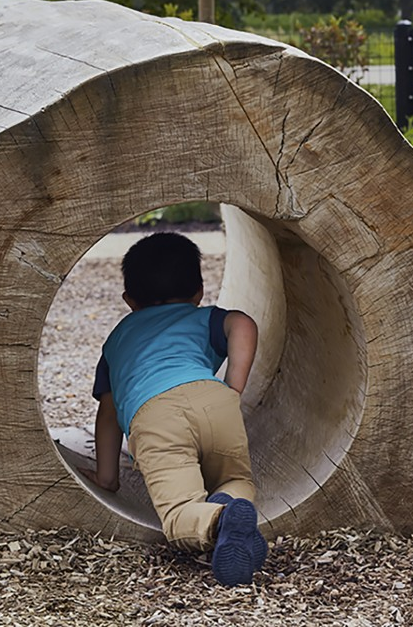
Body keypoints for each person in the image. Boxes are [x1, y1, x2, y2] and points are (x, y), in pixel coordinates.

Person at [81, 231, 267, 587]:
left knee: (178, 513)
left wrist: (108, 477)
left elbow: (108, 414)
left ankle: (217, 522)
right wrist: (234, 389)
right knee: (236, 477)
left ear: (129, 300)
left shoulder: (117, 340)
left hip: (155, 417)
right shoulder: (204, 318)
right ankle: (230, 504)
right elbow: (242, 323)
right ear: (198, 291)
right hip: (215, 402)